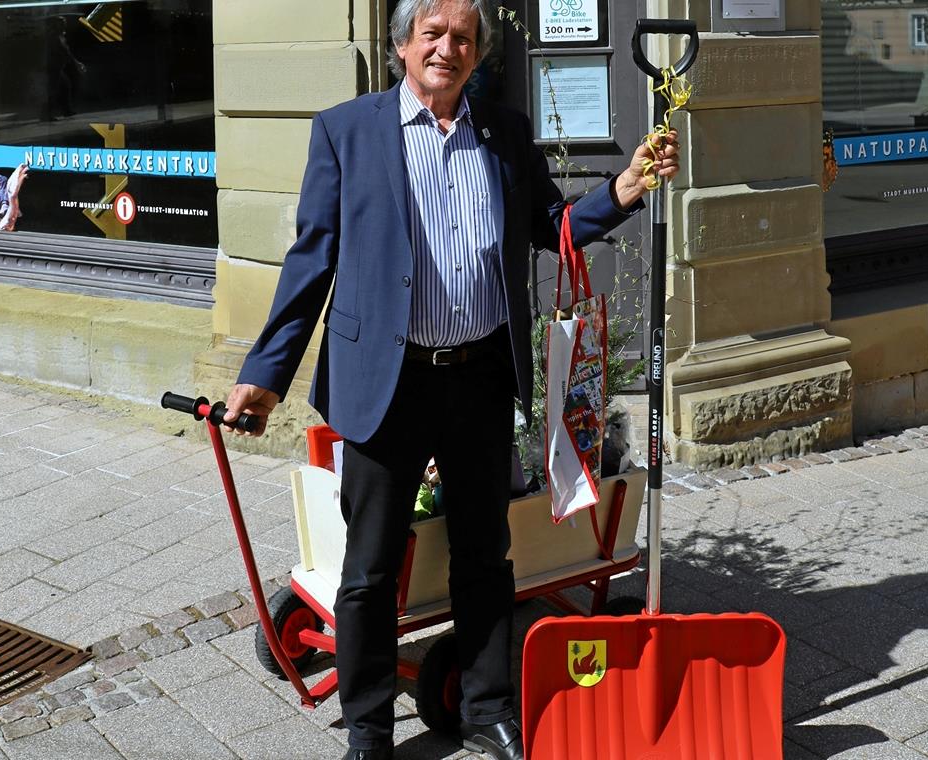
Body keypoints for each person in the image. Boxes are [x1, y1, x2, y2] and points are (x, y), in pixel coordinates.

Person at [223, 1, 679, 758]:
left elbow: (552, 227)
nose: (448, 47)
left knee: (484, 555)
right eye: (432, 32)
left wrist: (626, 188)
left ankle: (485, 706)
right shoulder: (347, 131)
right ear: (403, 44)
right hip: (387, 383)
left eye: (462, 36)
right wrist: (266, 373)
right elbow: (313, 259)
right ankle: (368, 727)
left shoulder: (504, 133)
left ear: (477, 53)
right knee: (368, 570)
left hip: (477, 378)